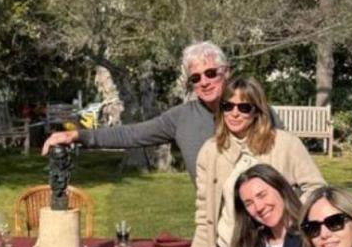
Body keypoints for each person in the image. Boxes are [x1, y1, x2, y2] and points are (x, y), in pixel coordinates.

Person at [185, 76, 324, 247]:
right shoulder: (211, 151)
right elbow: (205, 209)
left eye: (244, 108)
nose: (234, 113)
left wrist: (288, 213)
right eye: (228, 106)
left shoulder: (285, 145)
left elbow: (317, 189)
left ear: (257, 111)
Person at [42, 41, 235, 182]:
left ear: (226, 72)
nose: (204, 82)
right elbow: (131, 134)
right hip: (212, 226)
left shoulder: (249, 111)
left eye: (210, 73)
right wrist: (77, 135)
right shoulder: (182, 118)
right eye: (195, 78)